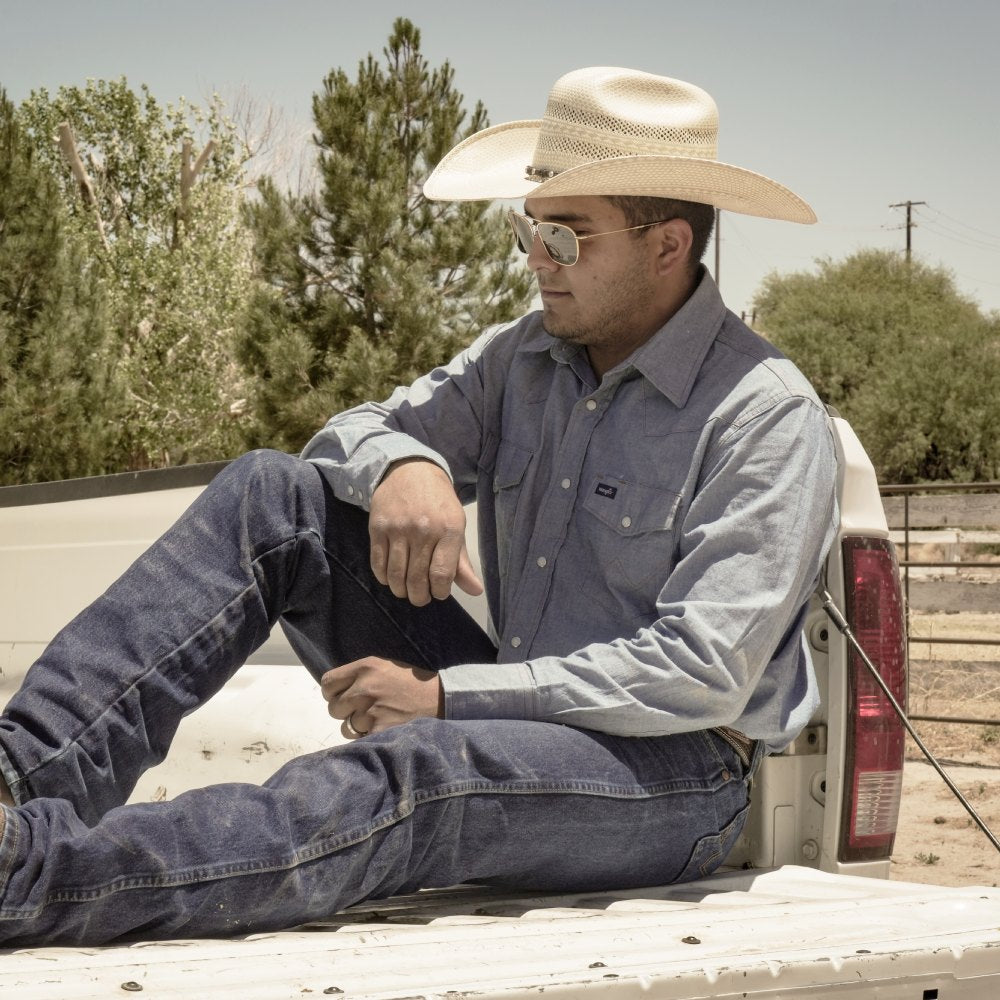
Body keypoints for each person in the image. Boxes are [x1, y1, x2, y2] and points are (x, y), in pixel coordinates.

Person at [0, 66, 838, 947]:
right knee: (273, 496)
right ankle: (15, 782)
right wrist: (405, 463)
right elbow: (347, 436)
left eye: (564, 236)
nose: (534, 259)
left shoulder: (766, 415)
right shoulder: (523, 358)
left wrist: (447, 700)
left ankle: (30, 876)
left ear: (667, 246)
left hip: (676, 773)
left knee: (422, 770)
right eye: (528, 229)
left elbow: (701, 672)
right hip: (517, 711)